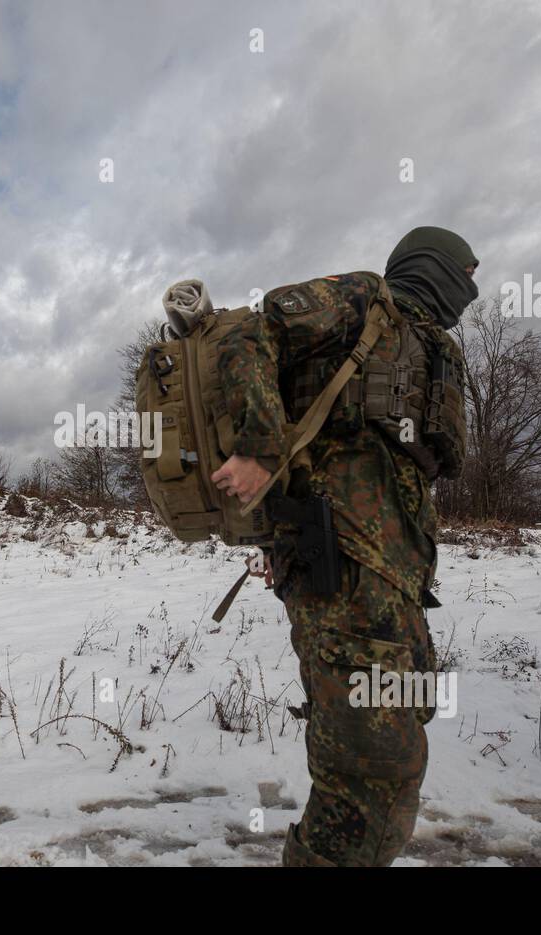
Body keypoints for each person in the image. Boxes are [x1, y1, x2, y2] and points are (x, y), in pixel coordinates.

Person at [211, 226, 479, 866]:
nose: (473, 287)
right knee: (374, 775)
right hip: (344, 564)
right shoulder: (365, 299)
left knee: (402, 724)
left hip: (397, 581)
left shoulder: (429, 346)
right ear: (436, 268)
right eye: (468, 272)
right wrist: (260, 446)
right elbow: (254, 334)